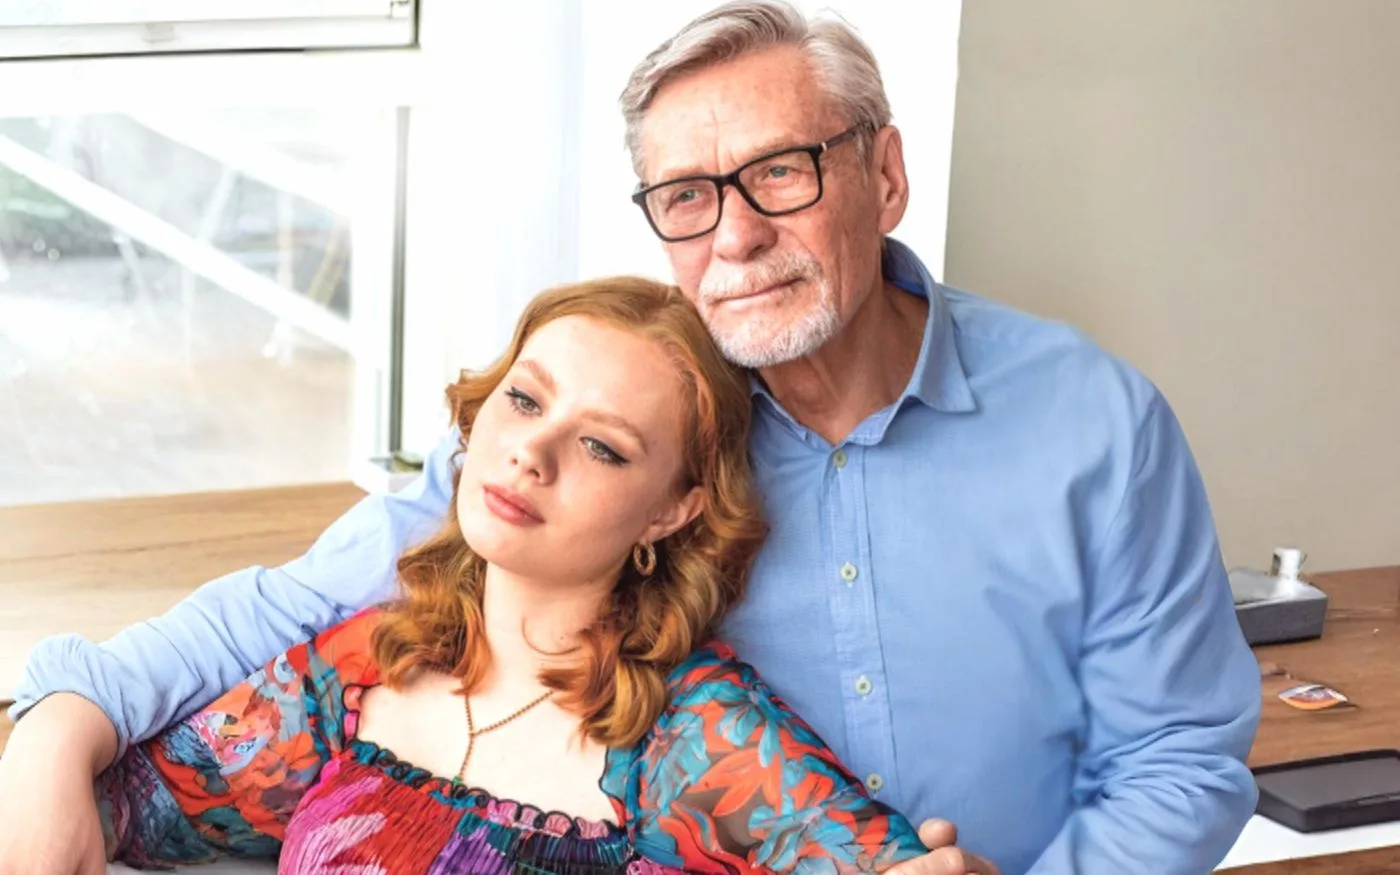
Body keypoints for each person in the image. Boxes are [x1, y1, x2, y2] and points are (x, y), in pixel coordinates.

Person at [1, 2, 1260, 873]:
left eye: (781, 171)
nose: (734, 236)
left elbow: (1180, 754)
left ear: (882, 175)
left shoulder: (1092, 421)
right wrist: (62, 716)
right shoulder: (633, 412)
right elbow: (289, 607)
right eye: (686, 197)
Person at [88, 276, 929, 873]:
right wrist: (52, 733)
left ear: (672, 511)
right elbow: (119, 809)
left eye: (601, 446)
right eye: (525, 400)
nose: (532, 450)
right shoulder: (362, 669)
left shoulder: (696, 737)